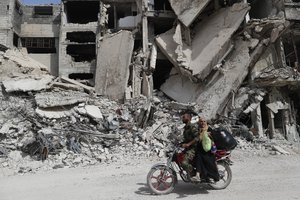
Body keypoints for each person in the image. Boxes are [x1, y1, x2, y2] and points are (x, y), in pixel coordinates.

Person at [192, 117, 219, 182]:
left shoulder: (209, 129)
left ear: (206, 122)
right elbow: (197, 139)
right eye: (201, 121)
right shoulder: (199, 130)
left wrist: (210, 135)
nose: (203, 123)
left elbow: (215, 138)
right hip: (201, 149)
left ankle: (198, 175)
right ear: (199, 122)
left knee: (200, 157)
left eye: (204, 121)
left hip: (209, 150)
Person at [180, 111, 198, 178]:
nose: (182, 118)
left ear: (188, 118)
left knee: (184, 163)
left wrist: (188, 144)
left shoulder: (192, 126)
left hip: (193, 149)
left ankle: (193, 174)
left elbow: (197, 137)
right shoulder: (186, 128)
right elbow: (187, 140)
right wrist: (180, 144)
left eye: (183, 117)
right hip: (188, 148)